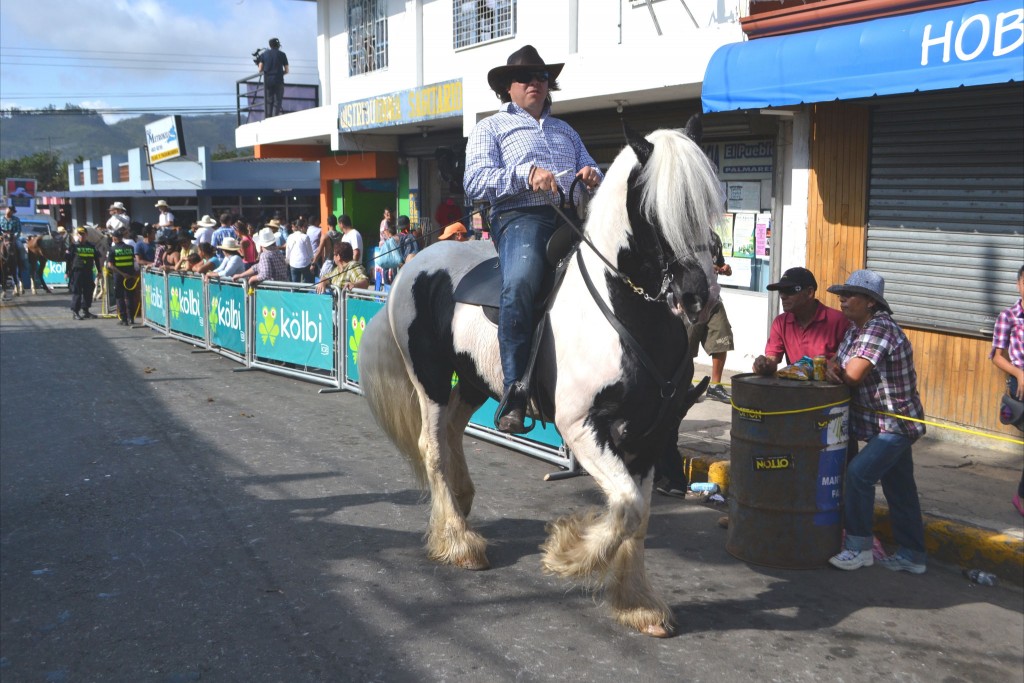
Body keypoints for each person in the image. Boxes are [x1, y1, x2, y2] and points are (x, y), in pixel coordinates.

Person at [464, 44, 603, 433]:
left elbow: (592, 167)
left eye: (542, 77)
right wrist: (525, 174)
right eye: (526, 78)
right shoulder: (490, 128)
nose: (536, 84)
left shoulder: (566, 131)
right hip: (520, 217)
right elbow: (474, 180)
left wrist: (592, 175)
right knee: (522, 281)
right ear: (508, 87)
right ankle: (516, 391)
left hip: (572, 218)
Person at [824, 269, 927, 574]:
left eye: (849, 295)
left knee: (858, 474)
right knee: (900, 488)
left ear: (870, 302)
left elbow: (851, 375)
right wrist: (835, 366)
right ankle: (913, 555)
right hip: (877, 423)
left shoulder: (879, 328)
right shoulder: (857, 329)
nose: (842, 301)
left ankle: (858, 548)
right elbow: (836, 363)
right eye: (841, 295)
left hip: (896, 425)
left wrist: (838, 369)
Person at [753, 267, 850, 375]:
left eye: (790, 291)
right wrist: (763, 364)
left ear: (809, 292)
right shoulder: (781, 322)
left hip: (829, 389)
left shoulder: (840, 321)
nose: (783, 296)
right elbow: (772, 359)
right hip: (796, 389)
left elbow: (850, 366)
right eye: (781, 291)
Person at [989, 265, 1024, 516]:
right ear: (1019, 284)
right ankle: (1021, 497)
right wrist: (1019, 373)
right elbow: (996, 356)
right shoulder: (1009, 316)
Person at [686, 233, 733, 403]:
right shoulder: (685, 234)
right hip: (690, 298)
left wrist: (726, 269)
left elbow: (720, 264)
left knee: (722, 336)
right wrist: (703, 267)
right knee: (687, 345)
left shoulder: (714, 238)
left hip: (713, 298)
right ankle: (685, 383)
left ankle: (715, 386)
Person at [107, 227, 140, 326]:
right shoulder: (130, 248)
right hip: (130, 276)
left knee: (120, 297)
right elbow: (134, 262)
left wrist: (122, 274)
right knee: (130, 297)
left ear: (114, 238)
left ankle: (124, 319)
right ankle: (131, 319)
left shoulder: (112, 250)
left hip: (119, 276)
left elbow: (110, 265)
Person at [66, 226, 98, 320]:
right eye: (79, 235)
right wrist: (67, 272)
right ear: (77, 235)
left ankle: (86, 311)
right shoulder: (73, 246)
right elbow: (68, 260)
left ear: (86, 235)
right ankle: (75, 312)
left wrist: (99, 271)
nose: (81, 236)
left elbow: (96, 259)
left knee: (88, 291)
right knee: (77, 292)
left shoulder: (91, 246)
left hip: (88, 272)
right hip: (77, 272)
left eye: (83, 234)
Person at [257, 37, 289, 118]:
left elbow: (260, 69)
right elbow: (287, 70)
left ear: (270, 45)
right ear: (278, 45)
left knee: (268, 100)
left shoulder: (264, 55)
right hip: (279, 80)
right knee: (278, 100)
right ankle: (275, 117)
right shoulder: (282, 54)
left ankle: (268, 117)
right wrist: (280, 74)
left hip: (268, 80)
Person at [0, 205, 26, 289]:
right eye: (8, 210)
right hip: (3, 238)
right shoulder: (0, 219)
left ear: (13, 212)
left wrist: (15, 236)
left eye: (11, 211)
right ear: (6, 210)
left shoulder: (16, 219)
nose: (9, 211)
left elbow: (19, 230)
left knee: (20, 247)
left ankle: (22, 262)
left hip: (13, 239)